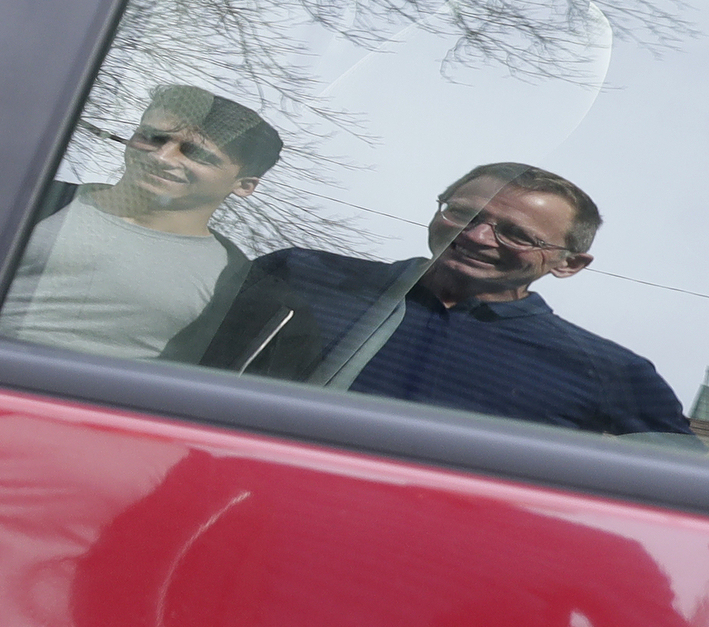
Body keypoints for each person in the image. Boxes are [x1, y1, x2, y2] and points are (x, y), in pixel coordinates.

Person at [244, 163, 691, 436]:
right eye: (462, 213)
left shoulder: (608, 372)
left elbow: (674, 494)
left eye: (515, 234)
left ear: (569, 264)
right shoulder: (303, 274)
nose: (476, 236)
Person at [0, 85, 313, 372]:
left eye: (196, 154)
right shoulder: (24, 201)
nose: (162, 157)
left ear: (244, 185)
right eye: (153, 138)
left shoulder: (249, 298)